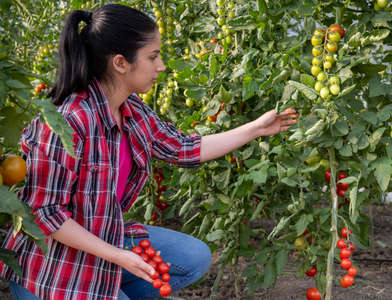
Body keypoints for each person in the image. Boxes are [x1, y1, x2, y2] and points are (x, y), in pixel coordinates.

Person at [0, 4, 297, 300]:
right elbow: (45, 214)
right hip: (53, 269)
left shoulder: (131, 108)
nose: (162, 66)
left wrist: (256, 129)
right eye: (153, 57)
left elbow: (183, 147)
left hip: (103, 236)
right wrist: (117, 255)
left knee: (193, 257)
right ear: (120, 63)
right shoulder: (68, 122)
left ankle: (109, 288)